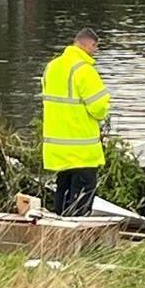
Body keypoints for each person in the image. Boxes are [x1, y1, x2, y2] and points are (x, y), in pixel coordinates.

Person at [40, 28, 112, 217]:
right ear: (89, 44)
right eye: (95, 46)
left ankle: (58, 234)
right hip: (81, 148)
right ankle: (76, 237)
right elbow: (99, 108)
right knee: (81, 199)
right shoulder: (84, 70)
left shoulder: (52, 67)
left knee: (62, 194)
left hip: (58, 148)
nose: (95, 51)